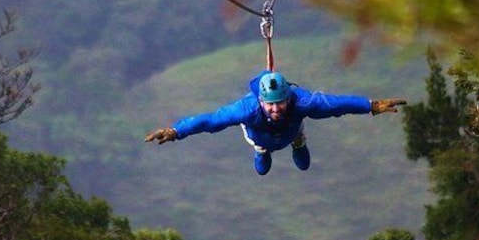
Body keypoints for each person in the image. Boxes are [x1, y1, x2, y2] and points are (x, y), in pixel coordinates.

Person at [144, 70, 406, 175]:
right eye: (270, 104)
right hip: (260, 137)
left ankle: (298, 142)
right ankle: (263, 151)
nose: (276, 108)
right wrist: (176, 131)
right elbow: (210, 121)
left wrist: (370, 106)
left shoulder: (303, 103)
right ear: (260, 100)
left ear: (288, 97)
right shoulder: (245, 110)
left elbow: (337, 105)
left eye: (280, 102)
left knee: (302, 162)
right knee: (262, 165)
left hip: (291, 132)